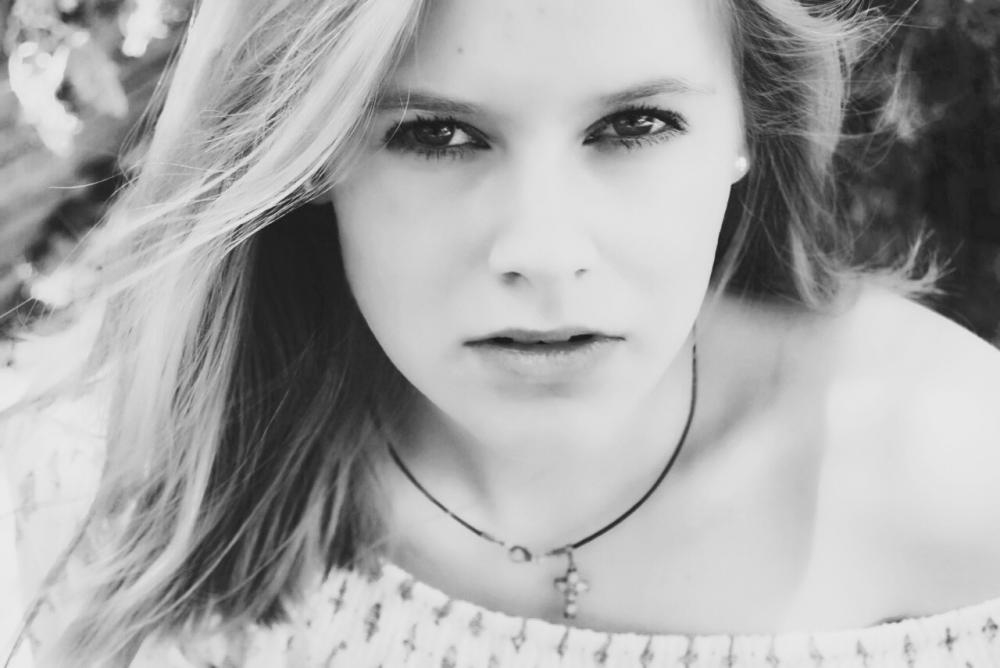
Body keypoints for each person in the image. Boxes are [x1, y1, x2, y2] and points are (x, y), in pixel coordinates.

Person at [4, 0, 1000, 665]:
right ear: (307, 150)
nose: (544, 251)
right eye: (435, 134)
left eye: (635, 125)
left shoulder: (955, 477)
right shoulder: (104, 475)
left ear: (750, 120)